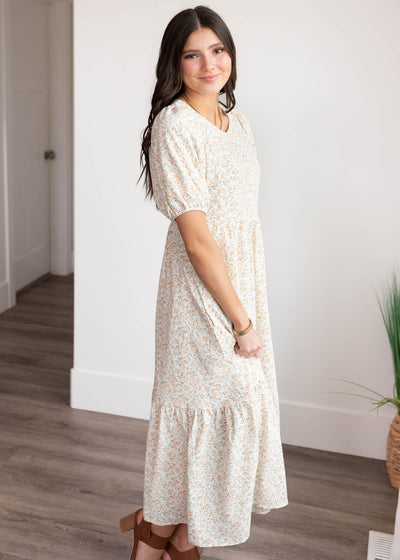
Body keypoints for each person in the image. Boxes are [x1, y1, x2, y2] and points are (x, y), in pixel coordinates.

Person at [119, 5, 288, 560]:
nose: (209, 63)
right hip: (201, 292)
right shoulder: (175, 126)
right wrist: (241, 321)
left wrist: (248, 307)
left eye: (218, 50)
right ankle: (155, 539)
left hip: (240, 281)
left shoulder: (235, 121)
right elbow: (197, 240)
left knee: (236, 414)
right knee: (211, 412)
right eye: (192, 54)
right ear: (176, 64)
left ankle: (174, 536)